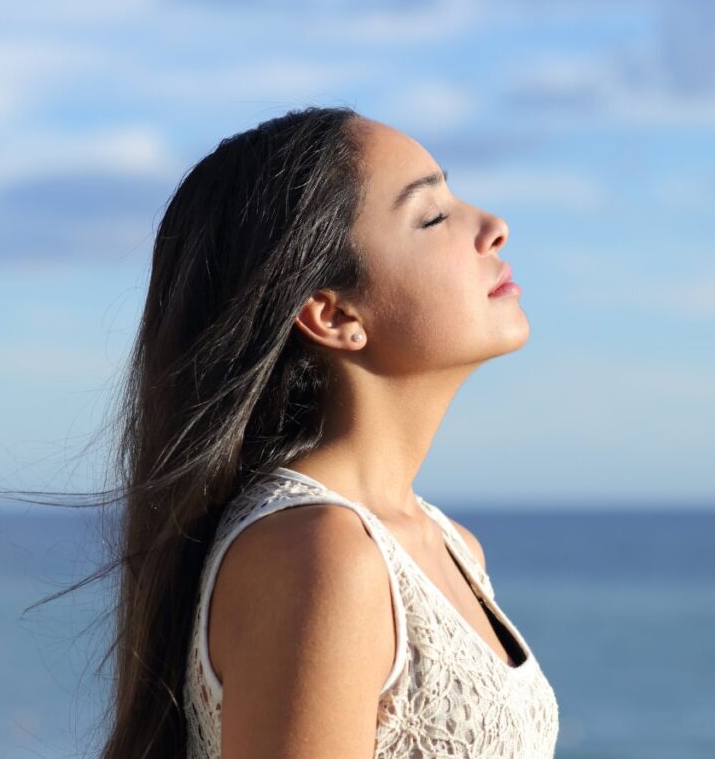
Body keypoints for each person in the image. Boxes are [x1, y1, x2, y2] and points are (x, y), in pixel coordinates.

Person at [95, 105, 559, 758]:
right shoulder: (319, 555)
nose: (494, 227)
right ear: (333, 313)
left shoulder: (451, 548)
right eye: (432, 217)